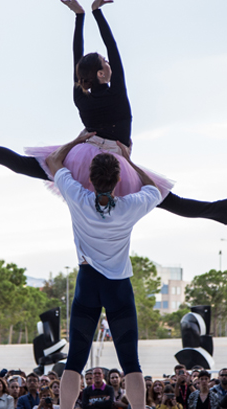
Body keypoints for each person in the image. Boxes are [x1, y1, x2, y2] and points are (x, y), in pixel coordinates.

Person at [0, 0, 227, 228]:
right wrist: (96, 13)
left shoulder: (80, 94)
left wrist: (80, 19)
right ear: (103, 72)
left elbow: (78, 62)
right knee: (173, 203)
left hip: (81, 156)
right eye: (105, 61)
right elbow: (111, 49)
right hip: (117, 161)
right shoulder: (116, 93)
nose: (109, 61)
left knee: (18, 163)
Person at [44, 128, 160, 409]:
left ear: (89, 179)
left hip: (87, 284)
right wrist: (129, 159)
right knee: (131, 362)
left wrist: (77, 140)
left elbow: (53, 162)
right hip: (118, 287)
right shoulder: (130, 206)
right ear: (120, 180)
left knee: (74, 360)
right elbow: (154, 189)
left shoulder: (77, 196)